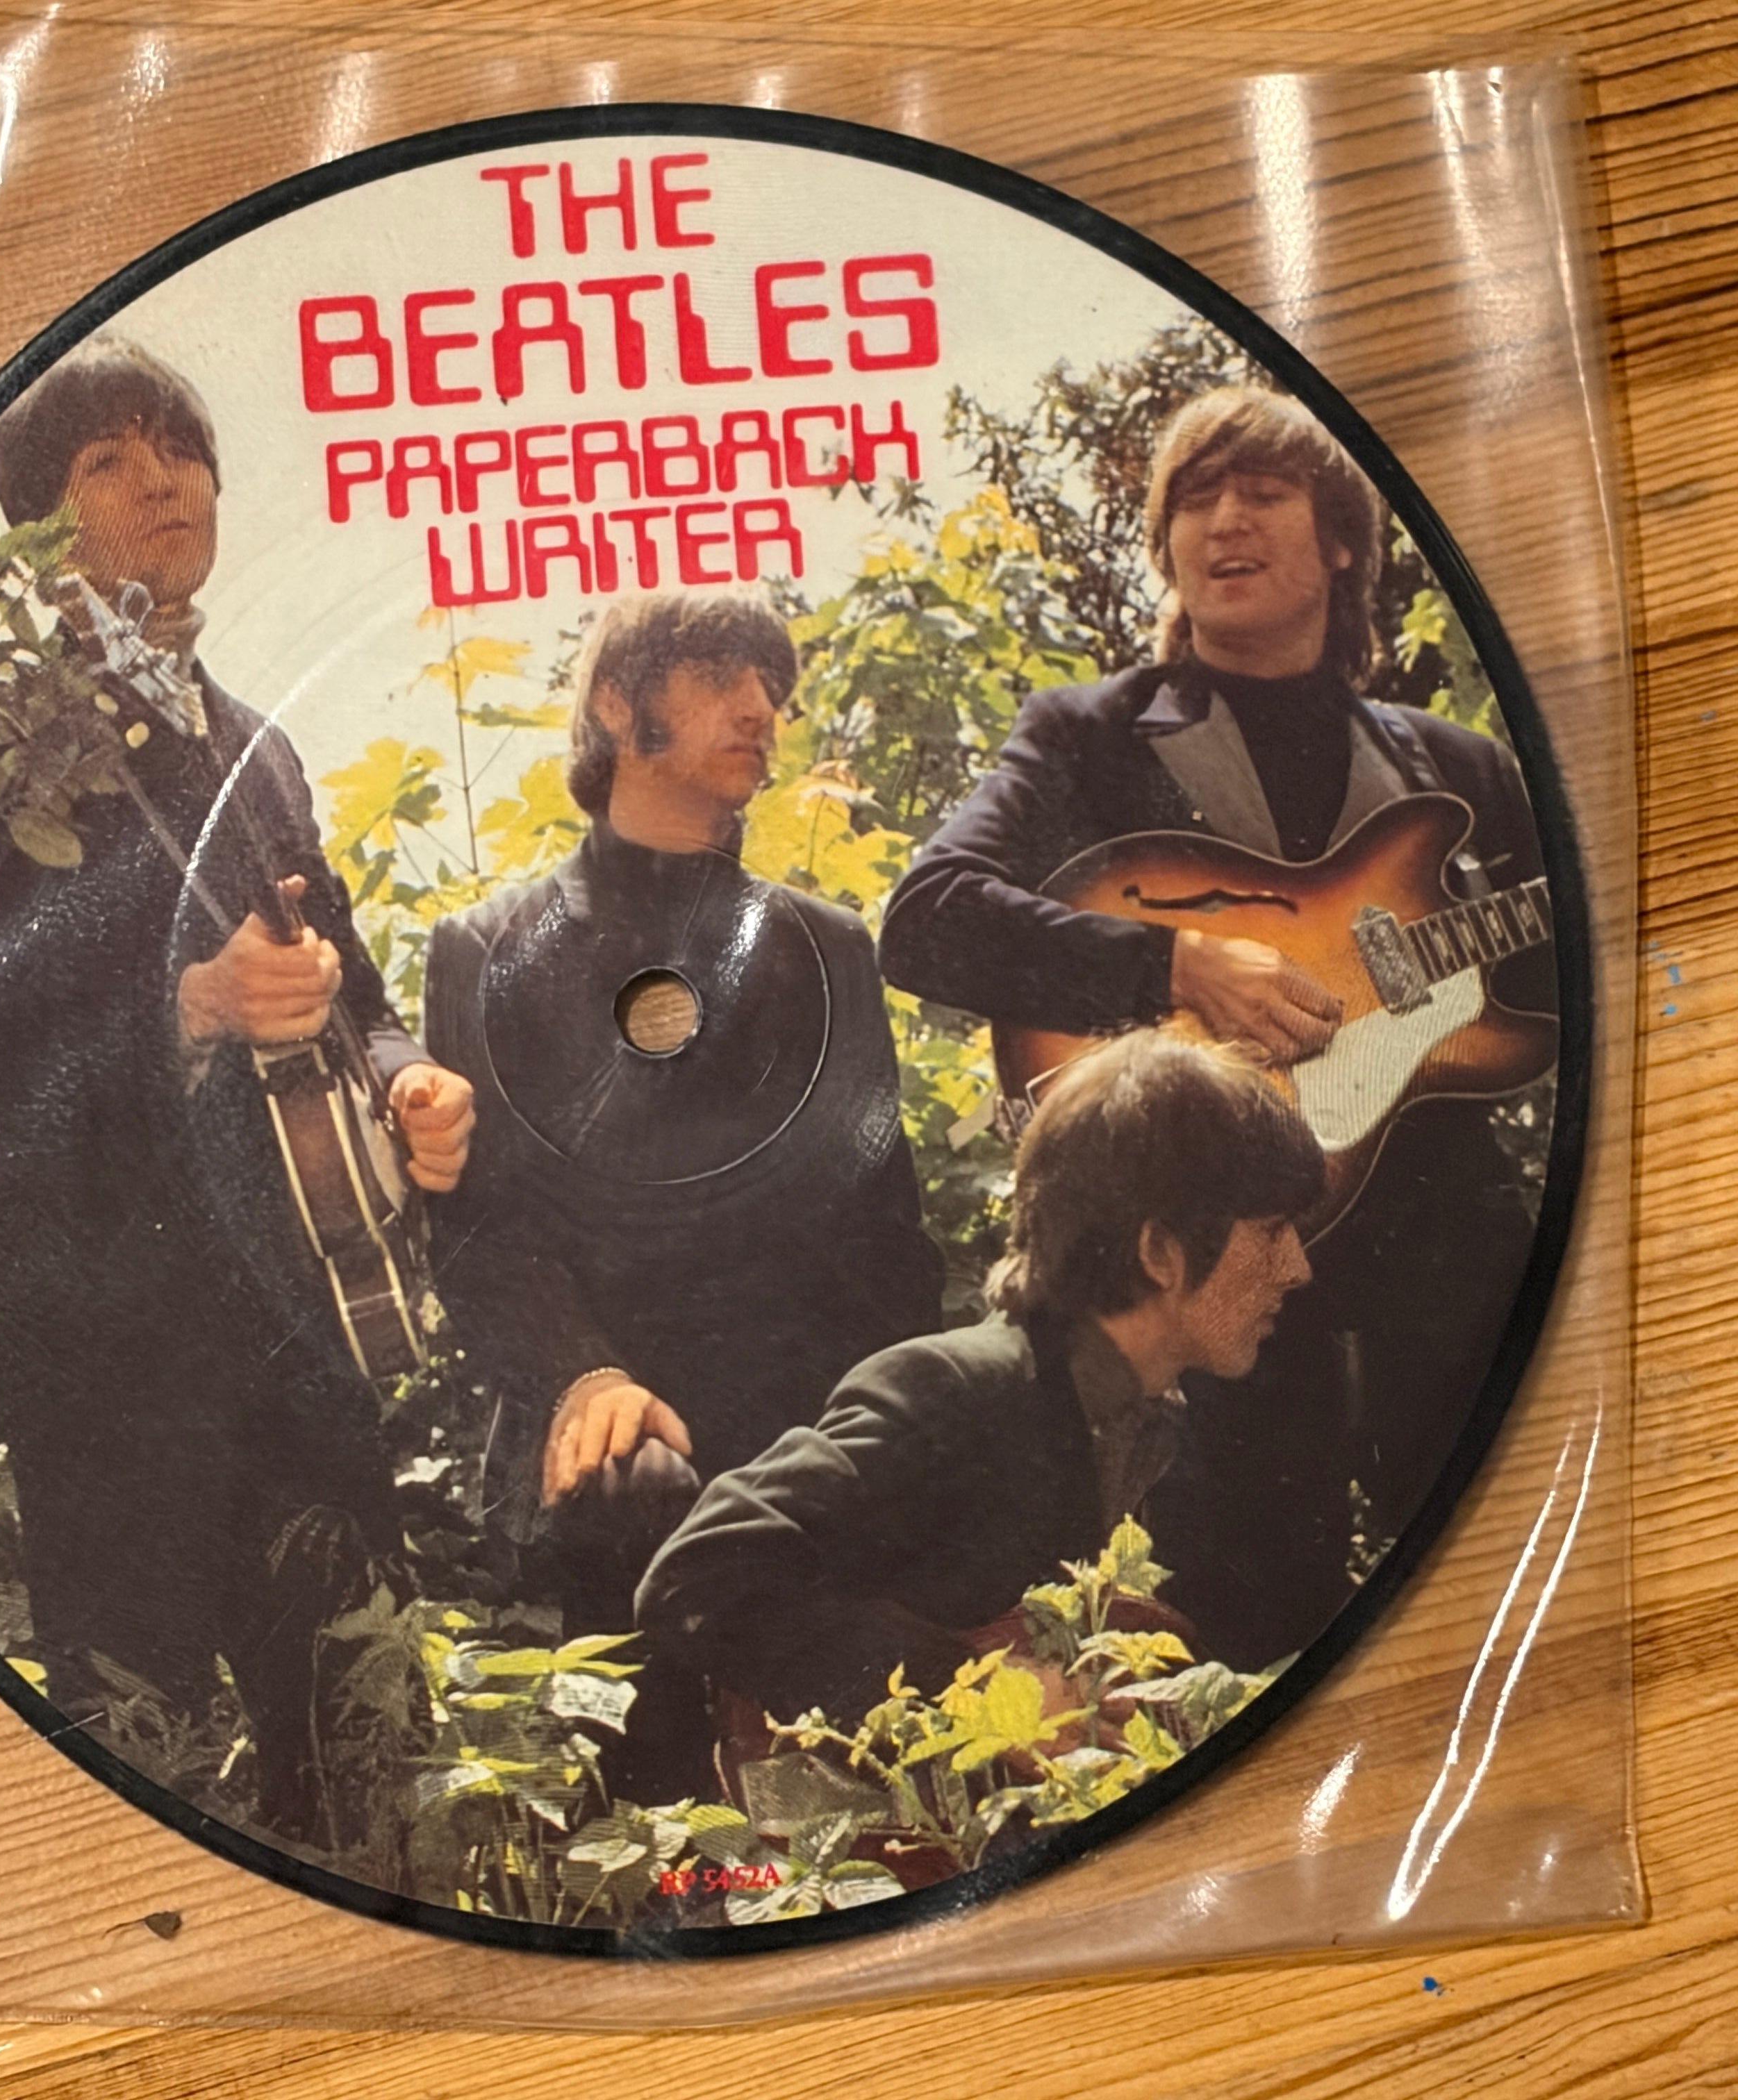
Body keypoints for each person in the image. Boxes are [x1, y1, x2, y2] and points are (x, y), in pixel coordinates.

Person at [0, 335, 475, 1838]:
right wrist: (190, 1010)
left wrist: (408, 1081)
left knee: (363, 1763)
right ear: (34, 528)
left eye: (180, 449)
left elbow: (354, 987)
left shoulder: (257, 746)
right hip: (104, 1350)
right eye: (107, 459)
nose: (162, 480)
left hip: (301, 1335)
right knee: (137, 1776)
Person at [877, 385, 1555, 1588]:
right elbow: (925, 922)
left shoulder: (1460, 768)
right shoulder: (1085, 737)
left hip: (1450, 1283)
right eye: (1193, 500)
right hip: (1197, 1290)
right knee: (1241, 1629)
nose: (1224, 520)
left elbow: (1568, 992)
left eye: (1262, 492)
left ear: (1339, 540)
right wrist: (1170, 965)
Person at [423, 593, 944, 1660]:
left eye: (770, 687)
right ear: (618, 705)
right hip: (603, 1457)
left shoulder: (832, 950)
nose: (759, 708)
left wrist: (889, 1444)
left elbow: (887, 1240)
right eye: (718, 678)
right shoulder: (482, 949)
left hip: (814, 1452)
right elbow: (482, 1238)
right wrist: (585, 1381)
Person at [636, 1031, 1325, 1726]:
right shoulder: (952, 1388)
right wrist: (975, 1690)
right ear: (1159, 1252)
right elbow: (698, 1577)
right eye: (1272, 1231)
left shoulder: (1186, 1424)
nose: (1298, 1268)